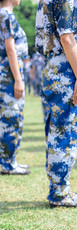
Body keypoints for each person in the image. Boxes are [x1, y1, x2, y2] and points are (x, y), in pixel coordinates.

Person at [35, 0, 77, 207]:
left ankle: (59, 189)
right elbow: (67, 38)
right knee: (64, 134)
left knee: (57, 132)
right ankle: (60, 193)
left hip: (54, 67)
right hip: (65, 70)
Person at [0, 0, 30, 175]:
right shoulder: (5, 14)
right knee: (11, 118)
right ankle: (8, 163)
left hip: (9, 72)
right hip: (9, 74)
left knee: (10, 117)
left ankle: (9, 160)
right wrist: (18, 80)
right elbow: (10, 49)